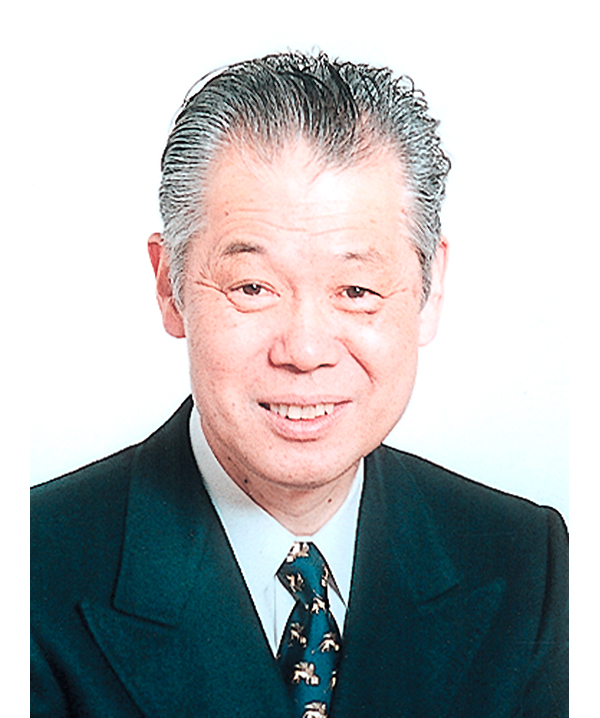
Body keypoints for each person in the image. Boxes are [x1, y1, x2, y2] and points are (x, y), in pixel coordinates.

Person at [30, 52, 567, 718]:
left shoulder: (531, 566)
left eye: (356, 289)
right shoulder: (29, 568)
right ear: (169, 286)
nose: (306, 351)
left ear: (430, 291)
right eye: (253, 287)